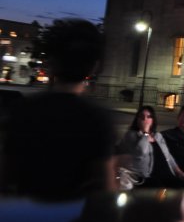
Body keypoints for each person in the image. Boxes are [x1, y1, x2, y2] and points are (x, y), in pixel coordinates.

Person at [1, 19, 116, 200]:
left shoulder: (23, 109)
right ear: (95, 66)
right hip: (73, 219)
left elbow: (6, 174)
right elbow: (106, 187)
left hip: (26, 216)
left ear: (52, 61)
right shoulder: (97, 117)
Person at [116, 105, 184, 188]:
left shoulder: (157, 136)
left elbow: (168, 156)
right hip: (148, 178)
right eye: (142, 116)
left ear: (153, 120)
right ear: (137, 120)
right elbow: (141, 152)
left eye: (149, 117)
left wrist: (179, 172)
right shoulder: (131, 135)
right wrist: (145, 132)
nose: (145, 119)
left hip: (168, 174)